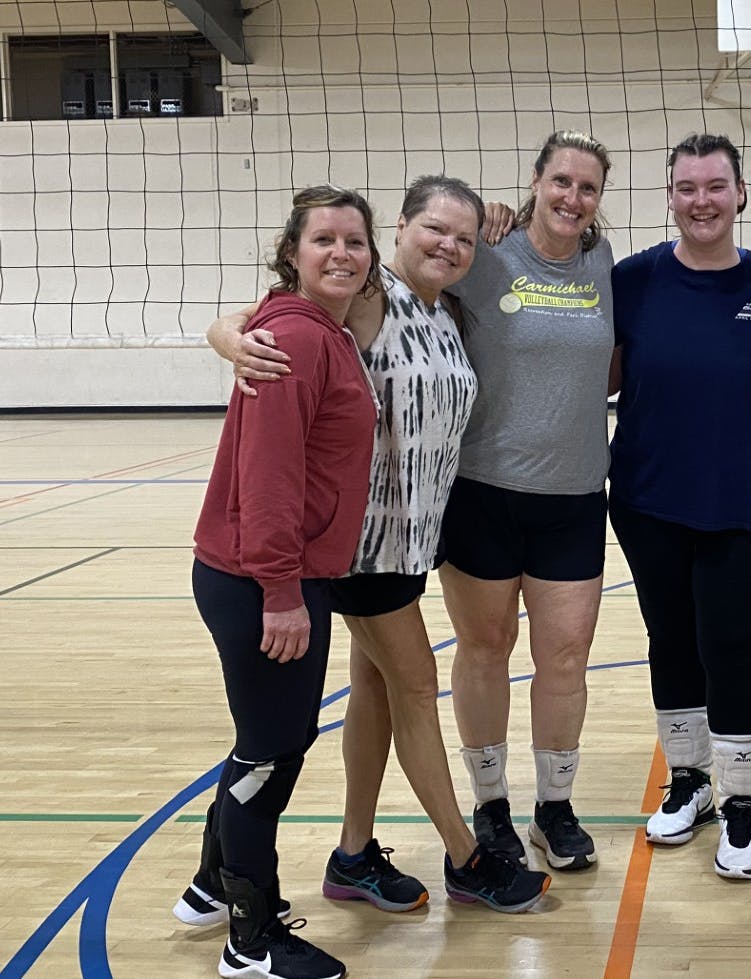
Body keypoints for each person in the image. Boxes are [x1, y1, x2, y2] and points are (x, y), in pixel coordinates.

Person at [182, 176, 551, 922]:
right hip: (356, 546)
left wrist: (508, 218)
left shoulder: (447, 309)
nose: (446, 245)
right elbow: (263, 319)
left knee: (380, 690)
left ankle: (338, 856)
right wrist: (227, 338)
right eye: (433, 230)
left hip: (410, 542)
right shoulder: (365, 293)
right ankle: (464, 856)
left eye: (463, 236)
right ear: (402, 231)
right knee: (416, 685)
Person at [187, 184, 380, 979]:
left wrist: (229, 328)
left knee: (265, 743)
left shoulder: (305, 327)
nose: (341, 252)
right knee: (272, 754)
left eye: (355, 242)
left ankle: (208, 886)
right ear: (292, 253)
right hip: (263, 579)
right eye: (324, 239)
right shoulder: (295, 340)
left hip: (283, 573)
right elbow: (267, 478)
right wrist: (279, 591)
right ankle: (250, 937)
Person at [607, 134, 751, 880]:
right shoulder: (632, 281)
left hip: (746, 499)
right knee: (671, 640)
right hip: (648, 497)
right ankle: (689, 780)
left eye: (715, 186)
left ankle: (743, 804)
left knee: (736, 646)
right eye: (686, 187)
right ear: (669, 196)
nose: (701, 201)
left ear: (741, 193)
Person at [439, 131, 615, 872]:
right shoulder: (485, 252)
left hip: (573, 496)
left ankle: (554, 806)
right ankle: (489, 806)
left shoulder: (603, 262)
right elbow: (395, 288)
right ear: (535, 181)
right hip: (482, 492)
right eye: (561, 181)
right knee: (485, 650)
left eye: (587, 187)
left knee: (565, 657)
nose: (572, 197)